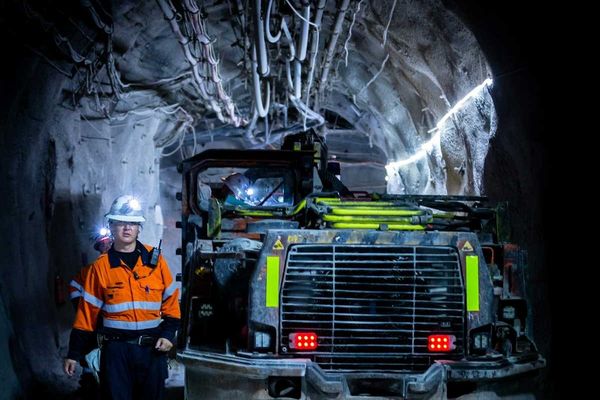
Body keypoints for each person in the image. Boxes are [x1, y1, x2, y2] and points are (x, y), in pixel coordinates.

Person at [64, 195, 181, 400]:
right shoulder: (100, 268)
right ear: (111, 226)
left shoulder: (156, 262)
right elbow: (86, 317)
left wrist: (168, 334)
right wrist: (74, 354)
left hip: (152, 350)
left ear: (139, 228)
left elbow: (171, 302)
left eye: (132, 223)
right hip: (116, 353)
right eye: (120, 223)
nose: (127, 228)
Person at [67, 228, 113, 399]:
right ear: (99, 247)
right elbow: (74, 286)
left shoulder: (123, 266)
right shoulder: (90, 270)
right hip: (96, 320)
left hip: (116, 321)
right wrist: (83, 307)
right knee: (90, 345)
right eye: (103, 244)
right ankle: (89, 381)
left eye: (109, 242)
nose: (106, 246)